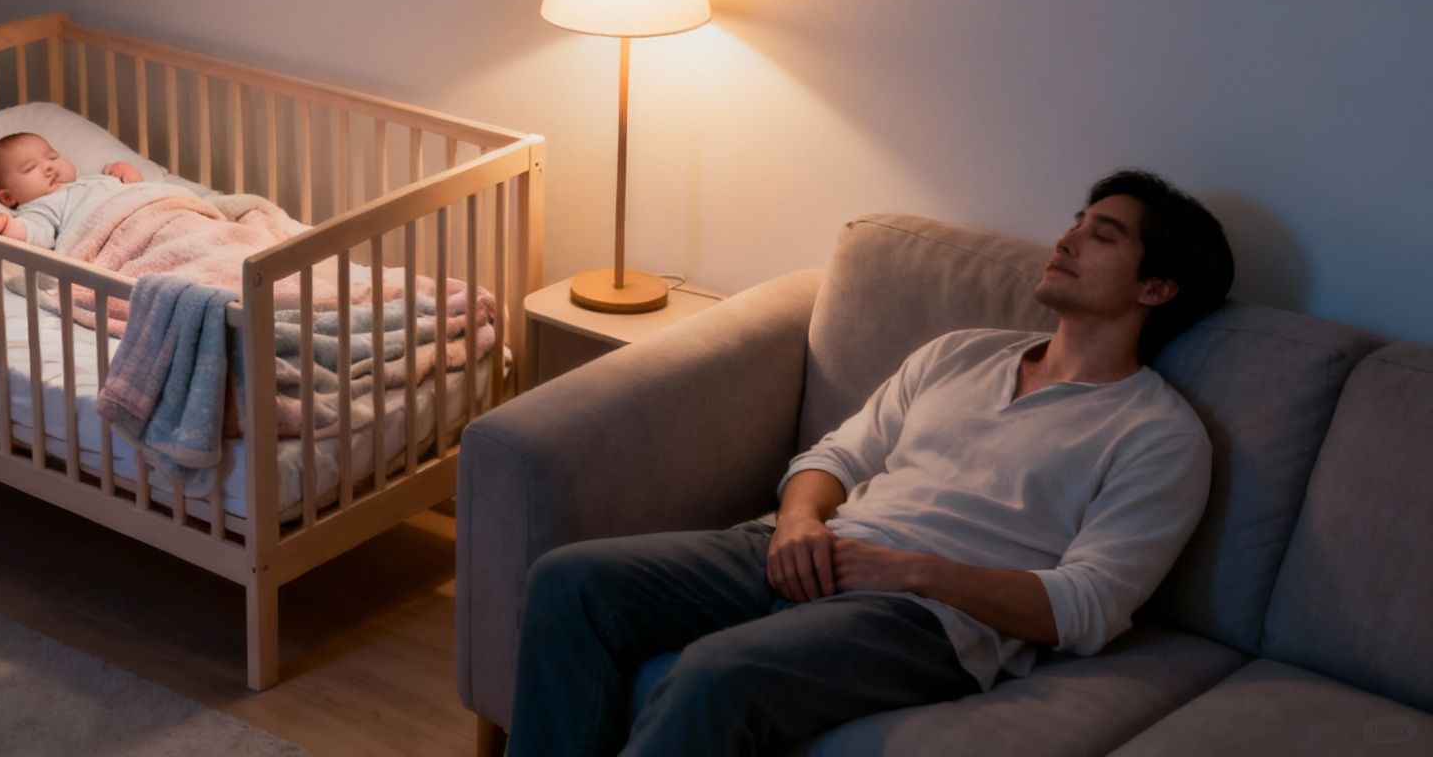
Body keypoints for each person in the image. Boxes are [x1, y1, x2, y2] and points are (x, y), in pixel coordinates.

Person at [507, 169, 1237, 756]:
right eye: (1076, 222)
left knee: (714, 675)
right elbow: (838, 455)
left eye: (1101, 235)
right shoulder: (961, 352)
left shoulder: (1158, 436)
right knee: (571, 582)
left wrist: (911, 571)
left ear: (1157, 288)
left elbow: (1090, 607)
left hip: (923, 619)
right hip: (801, 550)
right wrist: (797, 521)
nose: (1068, 239)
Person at [0, 131, 143, 249]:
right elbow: (37, 234)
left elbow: (136, 188)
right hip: (121, 231)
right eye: (30, 168)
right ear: (7, 197)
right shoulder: (41, 207)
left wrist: (124, 171)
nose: (48, 166)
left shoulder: (89, 179)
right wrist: (9, 227)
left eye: (52, 157)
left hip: (150, 208)